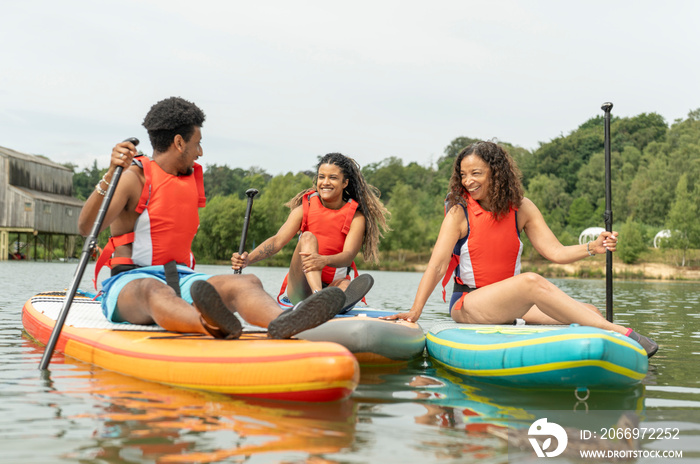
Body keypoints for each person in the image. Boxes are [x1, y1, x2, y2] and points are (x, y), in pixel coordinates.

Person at [79, 96, 345, 339]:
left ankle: (285, 321)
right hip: (131, 285)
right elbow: (86, 227)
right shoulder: (132, 179)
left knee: (246, 282)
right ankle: (210, 326)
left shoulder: (188, 180)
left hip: (183, 280)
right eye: (198, 143)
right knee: (152, 288)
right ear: (179, 142)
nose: (200, 152)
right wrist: (110, 174)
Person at [384, 141, 658, 357]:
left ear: (496, 173)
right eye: (464, 175)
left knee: (590, 312)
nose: (468, 181)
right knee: (529, 282)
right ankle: (622, 333)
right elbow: (437, 265)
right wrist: (415, 311)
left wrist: (593, 247)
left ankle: (586, 353)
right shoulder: (459, 213)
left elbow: (555, 252)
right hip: (469, 304)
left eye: (476, 173)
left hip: (511, 306)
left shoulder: (522, 208)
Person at [231, 152, 390, 313]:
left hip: (333, 283)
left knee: (346, 286)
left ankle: (332, 302)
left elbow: (348, 256)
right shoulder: (303, 209)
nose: (325, 182)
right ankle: (318, 295)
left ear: (345, 183)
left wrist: (323, 260)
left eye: (333, 178)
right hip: (301, 287)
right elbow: (277, 241)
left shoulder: (356, 217)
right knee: (307, 237)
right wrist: (248, 259)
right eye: (321, 177)